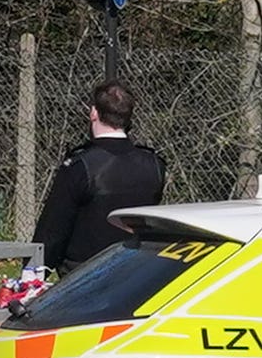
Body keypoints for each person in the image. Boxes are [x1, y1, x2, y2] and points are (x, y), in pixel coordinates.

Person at [26, 78, 167, 285]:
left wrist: (31, 276)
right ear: (128, 117)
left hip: (84, 279)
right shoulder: (154, 165)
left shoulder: (79, 166)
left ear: (93, 113)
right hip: (136, 275)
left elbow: (53, 230)